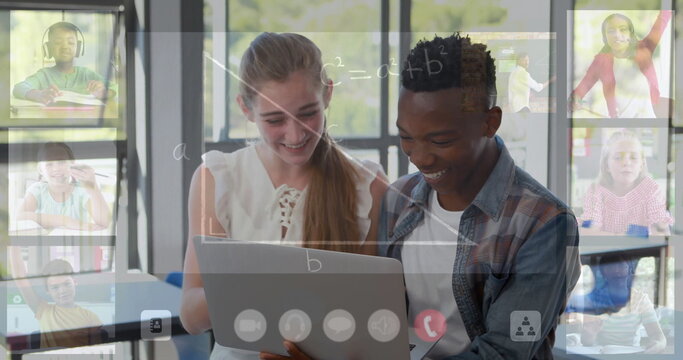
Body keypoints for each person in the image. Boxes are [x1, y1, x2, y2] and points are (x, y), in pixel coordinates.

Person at [180, 32, 387, 360]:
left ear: (328, 94)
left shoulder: (368, 185)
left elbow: (374, 321)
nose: (295, 134)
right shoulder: (216, 179)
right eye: (275, 119)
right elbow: (191, 317)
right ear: (246, 109)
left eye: (308, 113)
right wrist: (257, 283)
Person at [374, 33, 580, 359]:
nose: (420, 157)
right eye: (407, 137)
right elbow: (378, 317)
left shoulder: (545, 224)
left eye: (440, 140)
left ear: (489, 122)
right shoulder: (397, 200)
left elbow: (502, 353)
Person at [570, 11, 672, 118]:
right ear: (605, 36)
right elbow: (583, 87)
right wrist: (574, 100)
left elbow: (663, 19)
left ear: (630, 33)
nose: (617, 35)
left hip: (648, 123)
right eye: (611, 31)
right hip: (618, 127)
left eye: (623, 29)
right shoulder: (601, 61)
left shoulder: (644, 48)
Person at [579, 130, 672, 236]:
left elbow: (662, 233)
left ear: (641, 164)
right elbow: (587, 232)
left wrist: (612, 235)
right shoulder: (595, 190)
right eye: (618, 157)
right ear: (607, 165)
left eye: (634, 157)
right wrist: (634, 234)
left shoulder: (651, 189)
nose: (626, 162)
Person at [570, 253, 667, 354]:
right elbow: (586, 342)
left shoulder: (641, 299)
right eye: (611, 267)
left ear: (629, 270)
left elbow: (658, 337)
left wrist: (656, 345)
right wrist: (589, 335)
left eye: (621, 266)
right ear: (603, 273)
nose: (616, 271)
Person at [9, 247, 103, 348]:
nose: (62, 291)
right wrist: (11, 241)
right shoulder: (43, 310)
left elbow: (97, 352)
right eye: (55, 287)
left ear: (75, 282)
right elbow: (19, 276)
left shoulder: (91, 317)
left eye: (67, 284)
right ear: (47, 290)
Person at [12, 22, 116, 105]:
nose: (65, 47)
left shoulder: (86, 74)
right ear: (48, 48)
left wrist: (104, 92)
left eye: (70, 43)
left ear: (79, 48)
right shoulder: (44, 75)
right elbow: (18, 88)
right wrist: (38, 94)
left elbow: (116, 87)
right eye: (57, 43)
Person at [16, 142, 111, 232]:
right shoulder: (37, 190)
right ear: (41, 169)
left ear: (73, 164)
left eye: (61, 162)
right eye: (49, 164)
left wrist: (92, 187)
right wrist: (65, 221)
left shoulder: (82, 190)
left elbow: (105, 222)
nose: (56, 168)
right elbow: (20, 216)